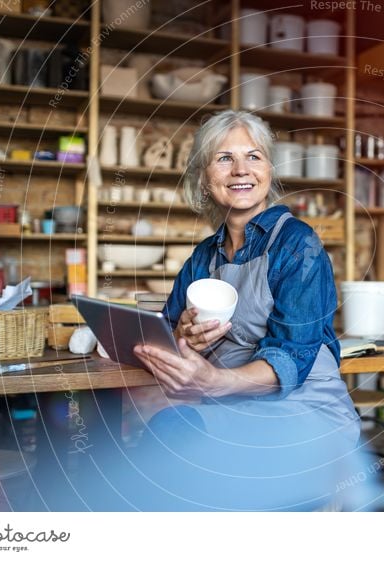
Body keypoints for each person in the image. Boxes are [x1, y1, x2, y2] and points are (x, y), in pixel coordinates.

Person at [127, 110, 363, 510]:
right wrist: (184, 335)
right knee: (165, 435)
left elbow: (291, 356)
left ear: (269, 169)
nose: (241, 170)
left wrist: (213, 382)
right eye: (224, 158)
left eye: (254, 156)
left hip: (303, 412)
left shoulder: (298, 244)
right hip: (233, 409)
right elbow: (166, 334)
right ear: (204, 177)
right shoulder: (203, 257)